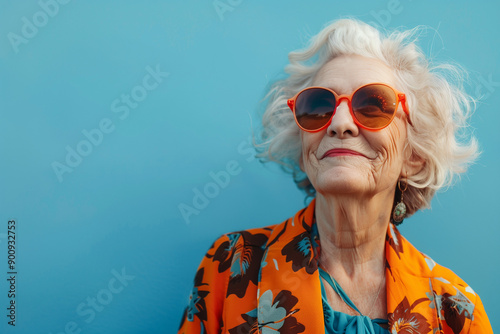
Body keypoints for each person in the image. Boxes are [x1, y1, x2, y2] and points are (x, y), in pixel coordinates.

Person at [178, 19, 493, 333]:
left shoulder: (456, 309)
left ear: (413, 155)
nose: (339, 122)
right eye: (318, 106)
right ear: (303, 148)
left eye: (373, 105)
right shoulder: (232, 265)